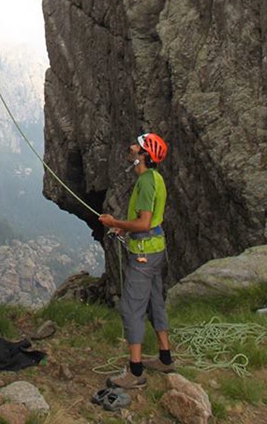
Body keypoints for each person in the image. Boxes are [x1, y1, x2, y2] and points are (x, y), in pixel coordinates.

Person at [98, 132, 174, 389]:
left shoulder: (145, 183)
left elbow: (142, 222)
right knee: (155, 302)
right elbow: (149, 222)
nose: (131, 148)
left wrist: (114, 222)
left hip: (143, 254)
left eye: (137, 146)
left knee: (132, 307)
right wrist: (125, 229)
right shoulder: (155, 178)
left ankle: (135, 371)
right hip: (155, 249)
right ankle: (165, 357)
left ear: (144, 155)